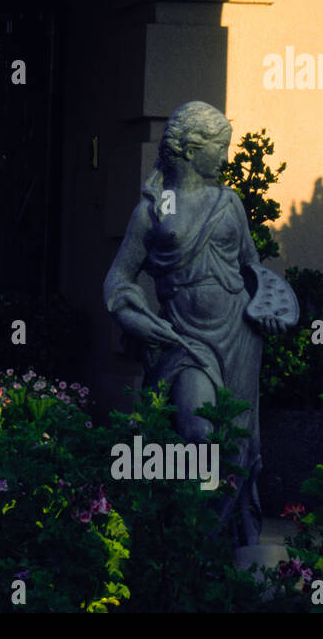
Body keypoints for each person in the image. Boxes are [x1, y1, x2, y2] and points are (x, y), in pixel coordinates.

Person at [103, 101, 291, 546]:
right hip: (184, 340)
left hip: (239, 337)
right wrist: (135, 319)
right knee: (198, 431)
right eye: (219, 147)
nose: (225, 158)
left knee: (237, 439)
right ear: (190, 148)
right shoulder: (152, 210)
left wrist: (270, 310)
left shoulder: (228, 203)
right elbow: (118, 278)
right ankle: (190, 535)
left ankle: (216, 547)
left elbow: (252, 268)